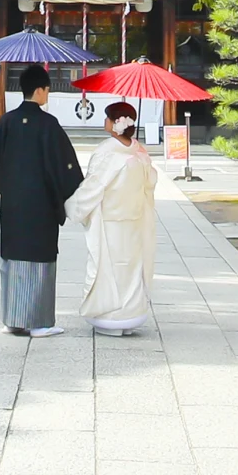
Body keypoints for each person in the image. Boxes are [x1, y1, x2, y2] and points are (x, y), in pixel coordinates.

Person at [0, 63, 84, 337]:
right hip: (40, 204)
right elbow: (64, 164)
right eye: (47, 90)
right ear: (39, 90)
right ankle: (38, 322)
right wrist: (71, 191)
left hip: (14, 202)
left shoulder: (7, 121)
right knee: (39, 256)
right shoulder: (48, 124)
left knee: (14, 255)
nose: (48, 95)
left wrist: (6, 183)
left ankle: (12, 318)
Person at [67, 99, 157, 336]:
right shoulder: (139, 152)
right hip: (134, 219)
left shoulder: (108, 151)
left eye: (108, 118)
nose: (105, 122)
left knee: (110, 267)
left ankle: (111, 316)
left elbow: (93, 187)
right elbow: (150, 183)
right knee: (131, 267)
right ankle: (130, 315)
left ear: (116, 123)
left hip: (111, 221)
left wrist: (72, 207)